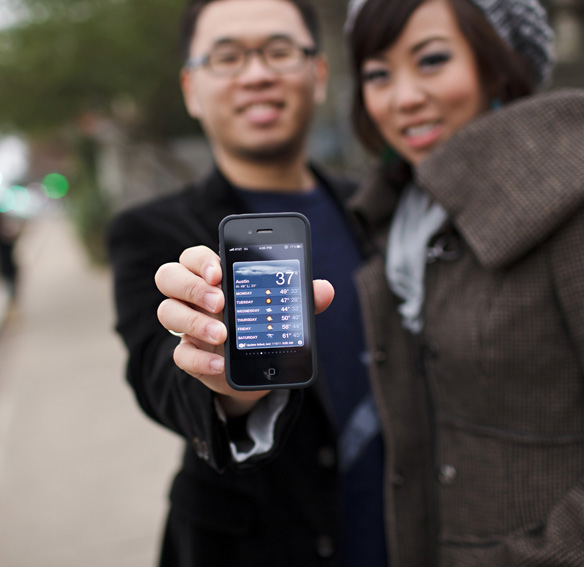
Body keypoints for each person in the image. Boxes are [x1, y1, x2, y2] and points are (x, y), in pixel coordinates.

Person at [338, 0, 584, 565]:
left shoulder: (583, 193)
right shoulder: (400, 215)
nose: (404, 96)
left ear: (499, 62)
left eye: (433, 59)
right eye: (377, 73)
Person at [107, 0, 387, 565]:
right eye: (228, 56)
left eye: (280, 51)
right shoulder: (149, 232)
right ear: (191, 88)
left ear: (319, 75)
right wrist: (225, 384)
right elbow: (155, 370)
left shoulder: (377, 205)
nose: (257, 73)